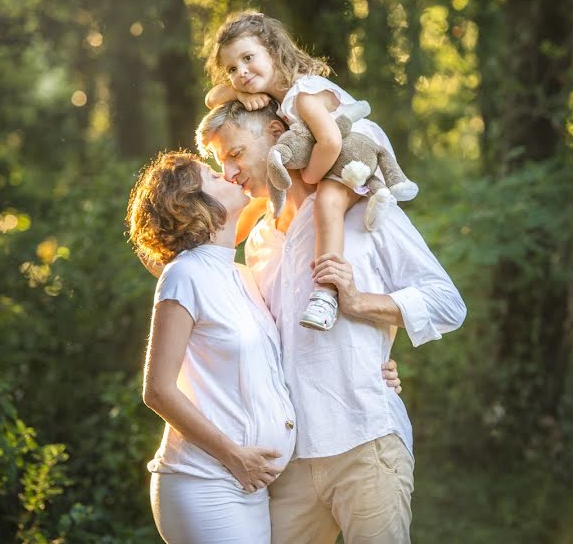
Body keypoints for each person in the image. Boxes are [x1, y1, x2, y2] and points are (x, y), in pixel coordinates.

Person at [197, 102, 467, 544]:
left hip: (365, 440)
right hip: (289, 461)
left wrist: (360, 304)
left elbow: (446, 302)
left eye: (235, 153)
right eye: (219, 162)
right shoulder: (258, 241)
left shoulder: (363, 208)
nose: (228, 172)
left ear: (275, 132)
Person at [126, 151, 402, 543]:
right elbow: (157, 390)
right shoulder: (184, 274)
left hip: (252, 483)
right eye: (212, 174)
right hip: (206, 481)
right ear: (192, 203)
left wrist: (378, 364)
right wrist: (233, 456)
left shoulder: (241, 274)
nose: (226, 174)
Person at [204, 10, 415, 332]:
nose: (242, 72)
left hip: (351, 151)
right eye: (232, 68)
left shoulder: (303, 95)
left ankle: (326, 293)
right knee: (274, 195)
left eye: (248, 58)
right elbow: (212, 98)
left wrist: (312, 178)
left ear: (273, 51)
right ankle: (216, 244)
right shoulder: (272, 96)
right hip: (332, 153)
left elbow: (330, 142)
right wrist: (240, 92)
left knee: (326, 202)